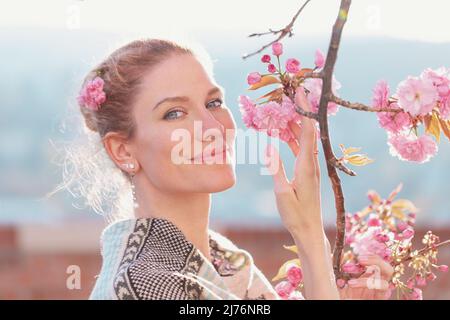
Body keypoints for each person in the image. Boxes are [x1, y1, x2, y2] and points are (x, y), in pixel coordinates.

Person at [53, 38, 393, 300]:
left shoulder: (224, 263)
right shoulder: (147, 284)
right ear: (123, 149)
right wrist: (309, 236)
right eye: (174, 113)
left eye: (213, 103)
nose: (212, 127)